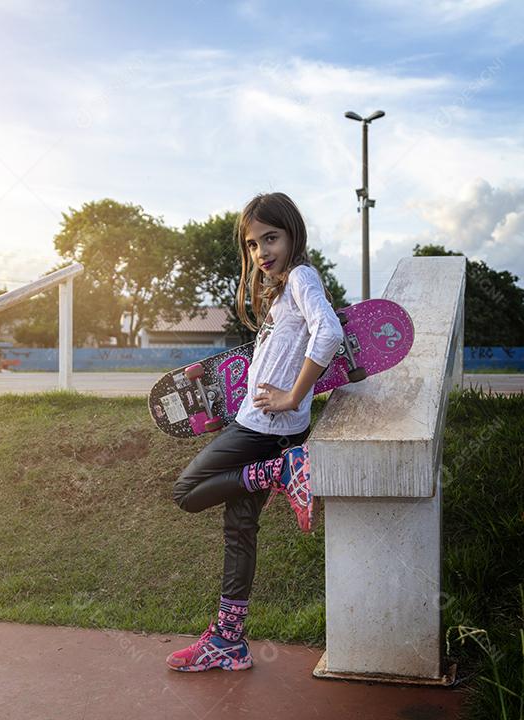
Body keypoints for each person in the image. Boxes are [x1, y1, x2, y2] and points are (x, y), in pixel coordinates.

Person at [166, 191, 344, 673]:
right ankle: (228, 640)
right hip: (271, 429)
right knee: (239, 530)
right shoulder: (283, 291)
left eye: (271, 238)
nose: (262, 252)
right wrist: (228, 384)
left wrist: (292, 396)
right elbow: (273, 360)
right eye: (252, 244)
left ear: (292, 236)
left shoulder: (303, 277)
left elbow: (330, 332)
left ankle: (280, 471)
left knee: (185, 491)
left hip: (266, 430)